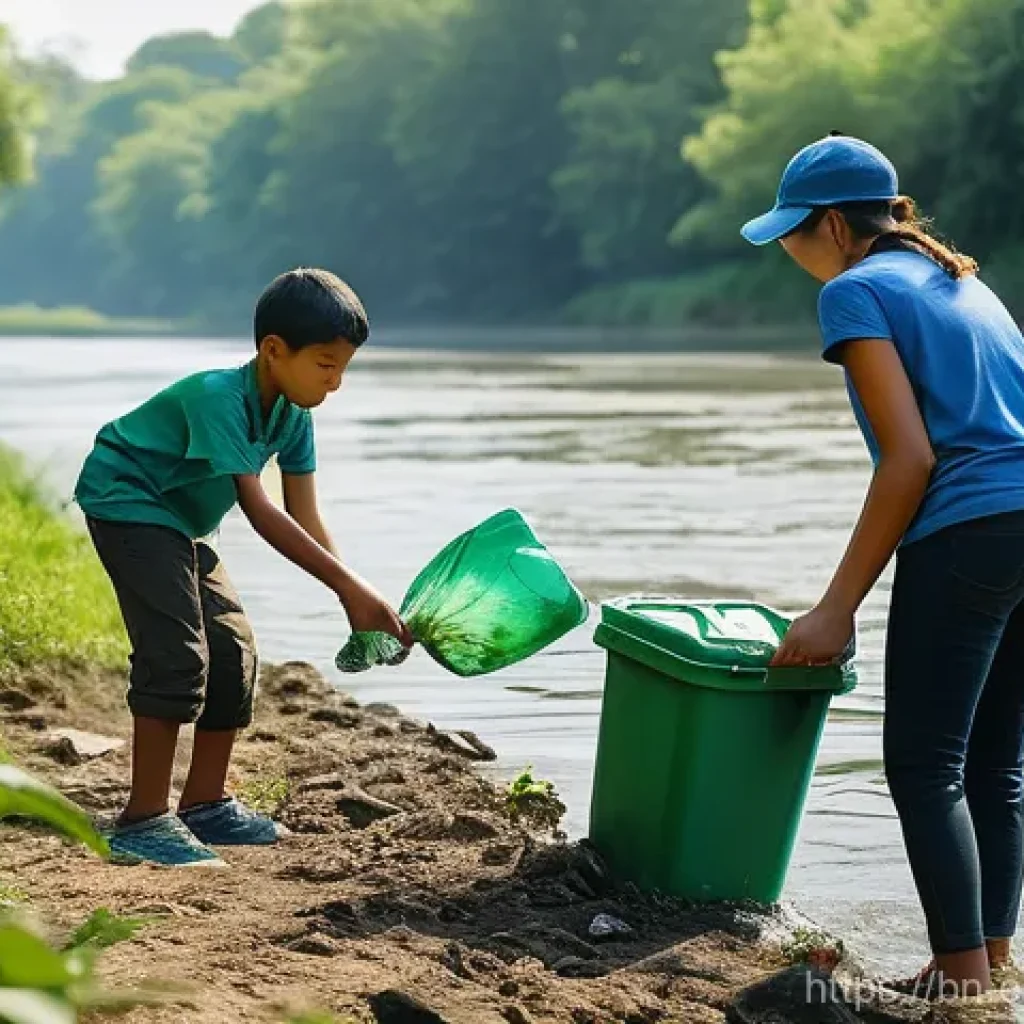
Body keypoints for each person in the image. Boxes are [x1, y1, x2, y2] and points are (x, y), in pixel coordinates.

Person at [742, 135, 1024, 998]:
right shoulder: (964, 283)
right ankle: (994, 965)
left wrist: (836, 607)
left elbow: (909, 462)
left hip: (971, 531)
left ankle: (961, 987)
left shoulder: (857, 291)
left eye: (791, 233)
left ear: (830, 224)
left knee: (923, 762)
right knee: (995, 763)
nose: (790, 253)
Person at [75, 268, 412, 868]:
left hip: (179, 523)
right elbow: (259, 509)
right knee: (176, 655)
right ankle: (142, 822)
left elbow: (304, 513)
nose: (335, 382)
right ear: (274, 351)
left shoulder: (294, 415)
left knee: (233, 652)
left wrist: (350, 598)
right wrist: (351, 589)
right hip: (127, 500)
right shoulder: (218, 397)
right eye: (325, 364)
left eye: (344, 368)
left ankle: (203, 804)